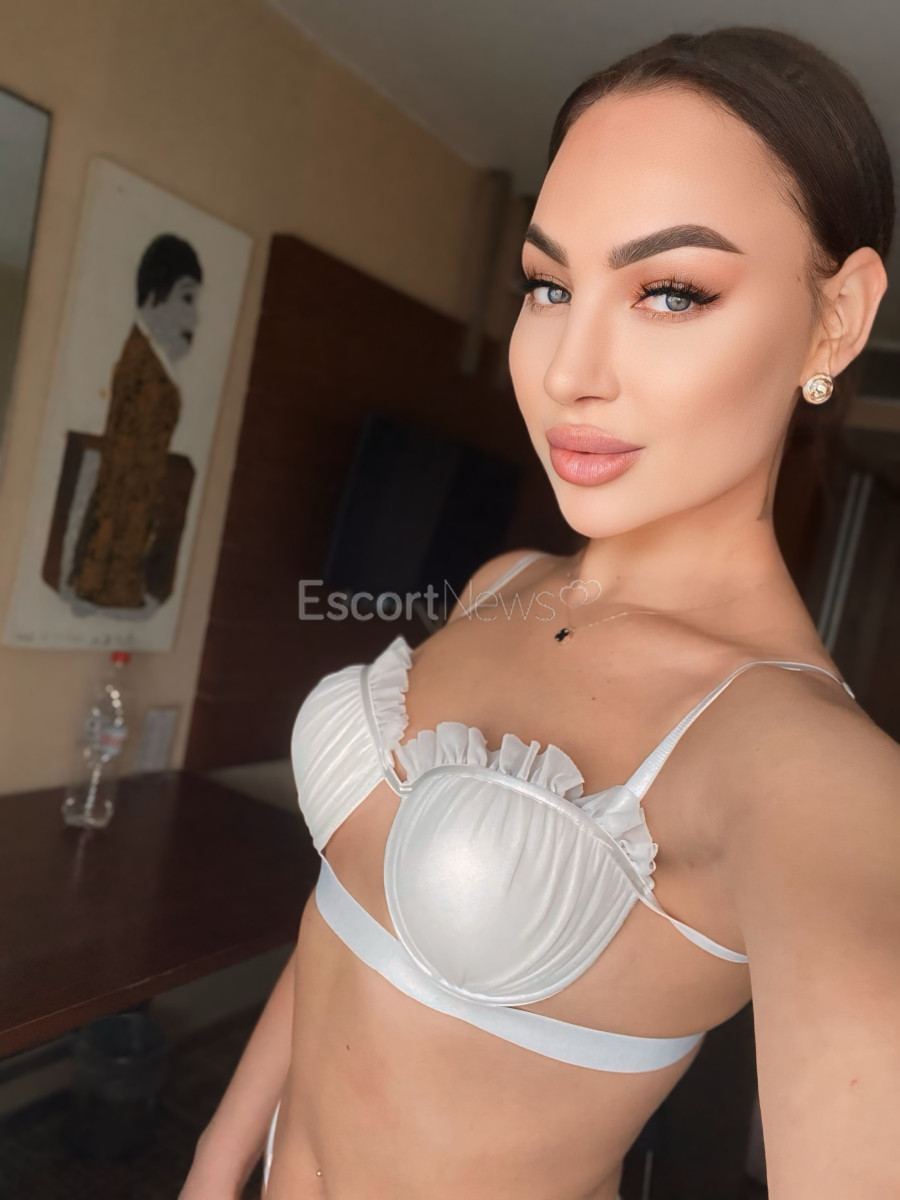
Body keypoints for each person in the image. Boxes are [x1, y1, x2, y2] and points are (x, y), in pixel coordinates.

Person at [180, 26, 900, 1200]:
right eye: (549, 286)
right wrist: (219, 1155)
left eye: (670, 292)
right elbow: (347, 914)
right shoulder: (501, 584)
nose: (570, 369)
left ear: (837, 318)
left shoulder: (809, 770)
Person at [66, 233, 202, 609]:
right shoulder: (143, 368)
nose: (194, 317)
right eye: (186, 298)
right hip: (123, 525)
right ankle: (102, 580)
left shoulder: (152, 361)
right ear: (156, 296)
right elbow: (122, 477)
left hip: (133, 520)